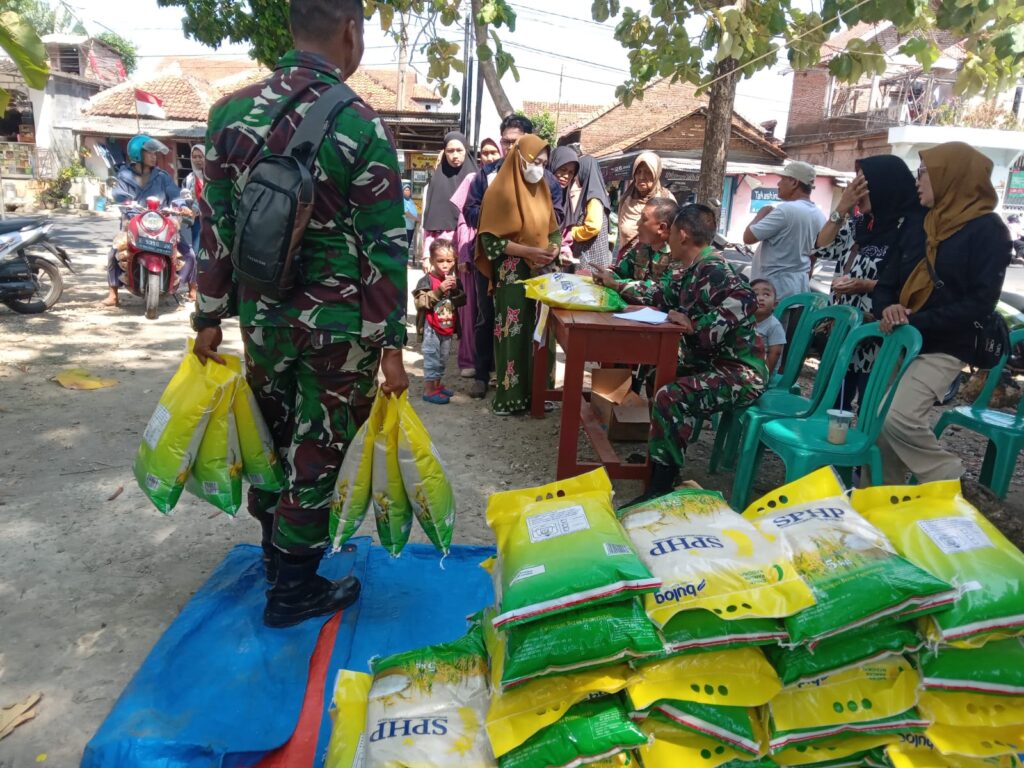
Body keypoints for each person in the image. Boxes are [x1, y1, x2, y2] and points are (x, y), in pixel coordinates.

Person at [191, 0, 409, 628]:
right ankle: (293, 589)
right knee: (318, 449)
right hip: (339, 329)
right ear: (350, 32)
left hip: (262, 318)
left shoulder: (228, 114)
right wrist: (392, 346)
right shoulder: (361, 123)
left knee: (271, 438)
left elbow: (216, 226)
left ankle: (272, 557)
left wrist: (209, 315)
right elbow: (384, 245)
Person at [873, 141, 1011, 487]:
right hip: (900, 336)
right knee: (878, 425)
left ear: (952, 177)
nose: (917, 180)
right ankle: (882, 498)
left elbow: (981, 302)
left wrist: (913, 320)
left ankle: (954, 484)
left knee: (898, 418)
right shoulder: (921, 223)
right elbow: (886, 282)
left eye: (924, 172)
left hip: (946, 343)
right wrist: (888, 308)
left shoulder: (989, 231)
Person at [611, 204, 767, 503]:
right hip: (711, 363)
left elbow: (746, 299)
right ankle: (662, 458)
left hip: (740, 374)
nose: (668, 239)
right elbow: (660, 295)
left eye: (672, 233)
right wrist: (617, 284)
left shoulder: (713, 268)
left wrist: (698, 326)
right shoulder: (692, 271)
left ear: (682, 235)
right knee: (656, 375)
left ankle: (660, 487)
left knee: (670, 396)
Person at [463, 114, 564, 399]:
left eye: (515, 141)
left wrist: (551, 249)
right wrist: (499, 222)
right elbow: (481, 226)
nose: (509, 147)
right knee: (499, 323)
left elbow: (556, 222)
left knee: (540, 328)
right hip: (506, 269)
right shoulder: (490, 178)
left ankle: (539, 392)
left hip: (540, 268)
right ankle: (490, 380)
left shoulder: (547, 183)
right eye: (506, 142)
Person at [815, 156, 924, 411]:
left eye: (862, 184)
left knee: (871, 408)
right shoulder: (860, 224)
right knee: (832, 405)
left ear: (884, 185)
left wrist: (866, 285)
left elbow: (912, 283)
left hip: (881, 334)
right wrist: (841, 207)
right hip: (845, 334)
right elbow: (822, 248)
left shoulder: (911, 228)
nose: (855, 191)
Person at [101, 134, 182, 307]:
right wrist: (125, 204)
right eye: (149, 153)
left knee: (187, 252)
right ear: (138, 154)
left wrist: (180, 207)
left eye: (155, 153)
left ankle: (192, 288)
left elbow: (175, 195)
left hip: (160, 222)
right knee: (114, 254)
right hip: (134, 223)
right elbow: (119, 194)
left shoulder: (162, 176)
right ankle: (113, 293)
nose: (154, 156)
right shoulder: (124, 175)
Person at [450, 136, 503, 379]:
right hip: (475, 251)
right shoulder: (475, 179)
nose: (490, 157)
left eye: (494, 152)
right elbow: (463, 219)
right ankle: (473, 362)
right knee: (478, 311)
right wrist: (463, 254)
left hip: (503, 252)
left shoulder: (510, 178)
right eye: (485, 152)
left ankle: (494, 364)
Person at [743, 160, 826, 301]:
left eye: (783, 179)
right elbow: (813, 257)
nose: (778, 184)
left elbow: (748, 237)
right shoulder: (819, 215)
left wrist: (761, 213)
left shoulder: (785, 210)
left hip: (773, 292)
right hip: (798, 289)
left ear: (794, 182)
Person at [413, 239, 466, 404]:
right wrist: (439, 290)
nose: (445, 265)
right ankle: (429, 390)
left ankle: (437, 385)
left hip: (447, 326)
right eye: (440, 261)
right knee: (432, 358)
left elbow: (462, 300)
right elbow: (420, 302)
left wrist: (455, 290)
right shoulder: (426, 281)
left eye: (449, 261)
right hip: (431, 327)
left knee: (443, 358)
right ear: (431, 261)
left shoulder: (454, 280)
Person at [420, 132, 477, 271]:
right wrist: (426, 256)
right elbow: (430, 225)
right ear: (444, 152)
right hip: (442, 257)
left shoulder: (476, 181)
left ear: (466, 150)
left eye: (459, 150)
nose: (455, 155)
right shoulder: (436, 182)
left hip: (471, 250)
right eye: (450, 151)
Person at [595, 197, 677, 290]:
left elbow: (660, 292)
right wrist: (607, 274)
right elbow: (622, 272)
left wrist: (618, 285)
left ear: (662, 228)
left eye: (644, 219)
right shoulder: (641, 247)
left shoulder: (676, 256)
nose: (638, 223)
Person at [615, 152, 675, 262]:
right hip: (626, 262)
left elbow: (673, 237)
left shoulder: (666, 199)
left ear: (656, 173)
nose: (641, 177)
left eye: (648, 172)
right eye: (638, 172)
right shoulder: (626, 200)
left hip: (657, 264)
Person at [567, 155, 613, 272]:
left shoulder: (593, 198)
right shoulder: (595, 194)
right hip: (594, 259)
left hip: (591, 261)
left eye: (577, 173)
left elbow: (593, 227)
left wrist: (571, 233)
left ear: (584, 172)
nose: (575, 178)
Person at [181, 144, 206, 302]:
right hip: (195, 222)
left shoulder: (214, 176)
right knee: (195, 253)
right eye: (194, 157)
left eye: (200, 156)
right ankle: (193, 287)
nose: (198, 160)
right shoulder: (189, 179)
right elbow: (184, 199)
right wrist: (190, 208)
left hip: (212, 220)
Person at [751, 279, 786, 374]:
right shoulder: (743, 320)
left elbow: (775, 352)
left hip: (761, 369)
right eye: (755, 294)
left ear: (775, 304)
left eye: (766, 294)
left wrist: (766, 374)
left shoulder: (774, 326)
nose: (760, 298)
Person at [403, 183, 419, 255]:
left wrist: (417, 219)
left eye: (408, 190)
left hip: (411, 227)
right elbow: (406, 213)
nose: (407, 191)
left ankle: (405, 259)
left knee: (408, 245)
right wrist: (416, 219)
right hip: (405, 227)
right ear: (403, 191)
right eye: (405, 190)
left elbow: (414, 212)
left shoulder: (411, 201)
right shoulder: (402, 201)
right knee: (404, 246)